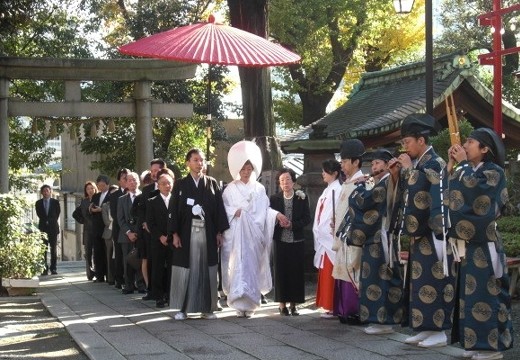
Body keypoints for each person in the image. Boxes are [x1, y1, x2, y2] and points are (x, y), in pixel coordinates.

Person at [387, 113, 455, 348]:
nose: (404, 147)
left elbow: (429, 195)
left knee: (435, 280)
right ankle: (425, 327)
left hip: (434, 232)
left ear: (421, 141)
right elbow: (408, 195)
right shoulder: (420, 164)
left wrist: (408, 171)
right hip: (419, 234)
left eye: (407, 142)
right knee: (419, 281)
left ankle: (440, 330)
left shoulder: (435, 163)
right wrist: (399, 175)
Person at [447, 128, 513, 360]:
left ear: (485, 149)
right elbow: (451, 197)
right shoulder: (467, 169)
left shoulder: (494, 172)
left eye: (471, 142)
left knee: (487, 293)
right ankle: (474, 342)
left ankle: (491, 346)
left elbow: (478, 199)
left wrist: (463, 166)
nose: (465, 145)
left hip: (486, 242)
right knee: (469, 294)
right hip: (469, 242)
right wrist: (451, 166)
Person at [345, 149, 405, 335]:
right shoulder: (382, 183)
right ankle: (377, 319)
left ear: (388, 166)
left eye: (378, 163)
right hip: (376, 237)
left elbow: (364, 202)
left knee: (381, 279)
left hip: (382, 237)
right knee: (374, 278)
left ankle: (383, 321)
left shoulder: (386, 183)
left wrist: (360, 189)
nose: (374, 167)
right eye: (372, 164)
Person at [168, 149, 229, 320]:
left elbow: (218, 209)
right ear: (187, 163)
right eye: (195, 160)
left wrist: (218, 232)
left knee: (207, 269)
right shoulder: (180, 184)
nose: (199, 163)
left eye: (202, 160)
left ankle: (207, 308)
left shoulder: (211, 183)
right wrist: (174, 234)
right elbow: (173, 209)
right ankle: (182, 308)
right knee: (185, 269)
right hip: (186, 233)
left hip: (207, 232)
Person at [221, 141, 277, 318]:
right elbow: (224, 209)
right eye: (243, 169)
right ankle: (238, 303)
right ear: (238, 169)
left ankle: (251, 303)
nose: (246, 172)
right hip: (236, 234)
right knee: (236, 266)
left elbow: (263, 211)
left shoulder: (259, 189)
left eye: (249, 169)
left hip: (253, 235)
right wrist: (235, 212)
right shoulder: (230, 189)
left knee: (252, 267)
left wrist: (273, 217)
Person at [332, 139, 366, 324]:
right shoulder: (348, 183)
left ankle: (353, 310)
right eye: (342, 161)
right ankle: (344, 310)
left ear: (356, 162)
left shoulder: (363, 183)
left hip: (352, 237)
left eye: (345, 162)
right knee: (343, 270)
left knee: (352, 270)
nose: (342, 166)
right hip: (343, 236)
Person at [270, 168, 311, 316]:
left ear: (293, 181)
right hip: (280, 240)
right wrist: (277, 221)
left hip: (296, 239)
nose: (285, 183)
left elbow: (307, 218)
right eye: (282, 180)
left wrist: (293, 225)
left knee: (296, 272)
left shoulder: (302, 197)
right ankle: (282, 305)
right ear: (279, 184)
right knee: (281, 271)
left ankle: (294, 304)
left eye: (288, 179)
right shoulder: (274, 199)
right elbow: (268, 217)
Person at [312, 159, 342, 318]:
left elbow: (332, 215)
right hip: (323, 235)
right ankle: (327, 304)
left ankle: (333, 305)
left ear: (335, 173)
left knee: (331, 271)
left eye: (326, 171)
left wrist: (324, 229)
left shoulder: (338, 189)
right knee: (326, 271)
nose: (323, 173)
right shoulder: (328, 190)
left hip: (329, 236)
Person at [139, 159, 167, 300]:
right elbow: (141, 209)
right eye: (152, 171)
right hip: (150, 233)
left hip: (167, 232)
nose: (154, 173)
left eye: (156, 170)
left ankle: (166, 292)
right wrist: (144, 222)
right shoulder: (147, 190)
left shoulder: (170, 187)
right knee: (151, 261)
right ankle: (152, 291)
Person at [146, 170, 175, 308]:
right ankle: (158, 296)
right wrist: (160, 236)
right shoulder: (152, 202)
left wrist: (172, 235)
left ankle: (170, 295)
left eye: (169, 183)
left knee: (171, 268)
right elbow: (150, 223)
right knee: (157, 268)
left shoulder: (176, 200)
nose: (167, 186)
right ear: (158, 185)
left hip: (172, 239)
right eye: (163, 183)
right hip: (158, 240)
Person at [117, 171, 145, 294]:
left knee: (140, 259)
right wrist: (128, 232)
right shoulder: (122, 200)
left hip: (141, 234)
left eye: (134, 179)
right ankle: (128, 284)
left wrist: (138, 232)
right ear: (126, 183)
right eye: (129, 180)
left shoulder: (145, 197)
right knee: (127, 260)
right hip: (126, 235)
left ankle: (141, 284)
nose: (132, 182)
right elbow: (120, 219)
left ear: (138, 181)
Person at [35, 184, 61, 275]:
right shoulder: (38, 203)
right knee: (43, 249)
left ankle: (53, 268)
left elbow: (57, 213)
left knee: (53, 249)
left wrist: (50, 221)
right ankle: (44, 268)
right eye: (44, 191)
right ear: (41, 192)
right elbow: (39, 214)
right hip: (43, 228)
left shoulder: (55, 202)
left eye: (47, 190)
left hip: (53, 228)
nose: (46, 192)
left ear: (50, 191)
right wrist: (45, 221)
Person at [90, 175, 111, 282]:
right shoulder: (96, 196)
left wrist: (101, 209)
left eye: (103, 185)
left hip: (107, 227)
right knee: (97, 252)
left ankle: (109, 275)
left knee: (106, 252)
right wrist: (92, 210)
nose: (101, 188)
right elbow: (91, 207)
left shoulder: (111, 195)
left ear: (108, 184)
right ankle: (99, 275)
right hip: (97, 227)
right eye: (99, 186)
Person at [110, 168, 129, 289]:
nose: (127, 181)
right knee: (119, 254)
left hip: (133, 230)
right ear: (119, 181)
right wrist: (124, 227)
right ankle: (119, 278)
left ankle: (130, 279)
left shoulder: (135, 192)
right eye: (124, 178)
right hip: (119, 229)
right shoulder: (115, 195)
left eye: (128, 178)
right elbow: (114, 214)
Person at [79, 181, 98, 280]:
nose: (90, 190)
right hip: (88, 230)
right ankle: (89, 273)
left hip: (98, 229)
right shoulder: (84, 201)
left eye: (92, 188)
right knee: (88, 252)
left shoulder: (98, 199)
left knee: (97, 252)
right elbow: (84, 214)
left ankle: (98, 272)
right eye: (88, 189)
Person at [101, 184, 118, 285]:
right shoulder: (105, 205)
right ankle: (110, 278)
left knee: (118, 256)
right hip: (109, 233)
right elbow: (106, 221)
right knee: (109, 256)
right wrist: (117, 223)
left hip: (119, 233)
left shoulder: (121, 202)